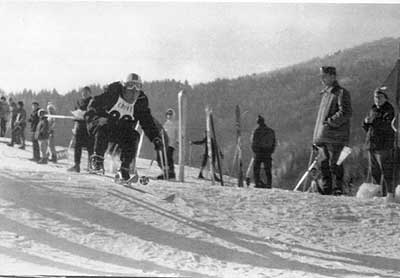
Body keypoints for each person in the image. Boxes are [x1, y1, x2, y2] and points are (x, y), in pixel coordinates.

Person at [85, 73, 163, 181]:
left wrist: (155, 137)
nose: (133, 92)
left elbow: (147, 121)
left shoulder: (140, 101)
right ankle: (97, 160)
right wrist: (96, 119)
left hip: (122, 130)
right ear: (124, 87)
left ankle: (124, 168)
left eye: (137, 88)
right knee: (103, 128)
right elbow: (92, 106)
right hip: (105, 127)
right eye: (130, 87)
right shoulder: (112, 94)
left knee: (134, 135)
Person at [313, 66, 352, 195]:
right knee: (323, 164)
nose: (321, 79)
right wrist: (317, 136)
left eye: (324, 76)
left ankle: (337, 189)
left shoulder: (341, 92)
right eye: (321, 76)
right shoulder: (326, 94)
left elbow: (345, 112)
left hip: (335, 137)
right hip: (324, 136)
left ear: (332, 76)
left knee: (334, 164)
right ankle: (326, 190)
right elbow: (320, 119)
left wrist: (330, 123)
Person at [362, 87, 395, 202]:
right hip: (372, 144)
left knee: (386, 170)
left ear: (385, 98)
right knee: (374, 171)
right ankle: (376, 193)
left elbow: (388, 126)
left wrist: (373, 121)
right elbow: (369, 127)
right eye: (375, 97)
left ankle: (390, 194)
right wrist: (365, 123)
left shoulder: (389, 110)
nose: (377, 100)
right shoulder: (373, 109)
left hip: (383, 145)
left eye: (380, 97)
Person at [68, 86, 94, 172]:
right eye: (83, 92)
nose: (84, 94)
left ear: (90, 93)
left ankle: (91, 166)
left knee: (90, 147)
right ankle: (77, 165)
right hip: (79, 126)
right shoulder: (79, 101)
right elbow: (76, 111)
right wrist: (75, 117)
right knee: (77, 146)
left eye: (86, 92)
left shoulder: (92, 101)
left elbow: (94, 112)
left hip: (89, 127)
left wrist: (87, 115)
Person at [250, 115, 276, 188]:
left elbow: (253, 142)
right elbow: (274, 142)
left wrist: (255, 151)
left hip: (259, 152)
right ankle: (269, 183)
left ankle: (257, 182)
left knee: (256, 168)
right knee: (268, 169)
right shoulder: (270, 131)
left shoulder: (256, 131)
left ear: (258, 122)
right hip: (267, 152)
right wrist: (271, 151)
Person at [157, 108, 178, 179]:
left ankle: (171, 172)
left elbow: (178, 133)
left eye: (170, 114)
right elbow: (162, 132)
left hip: (171, 143)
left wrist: (178, 140)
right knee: (162, 158)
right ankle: (165, 171)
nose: (169, 116)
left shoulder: (175, 123)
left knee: (168, 157)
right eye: (168, 114)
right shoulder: (166, 123)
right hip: (165, 143)